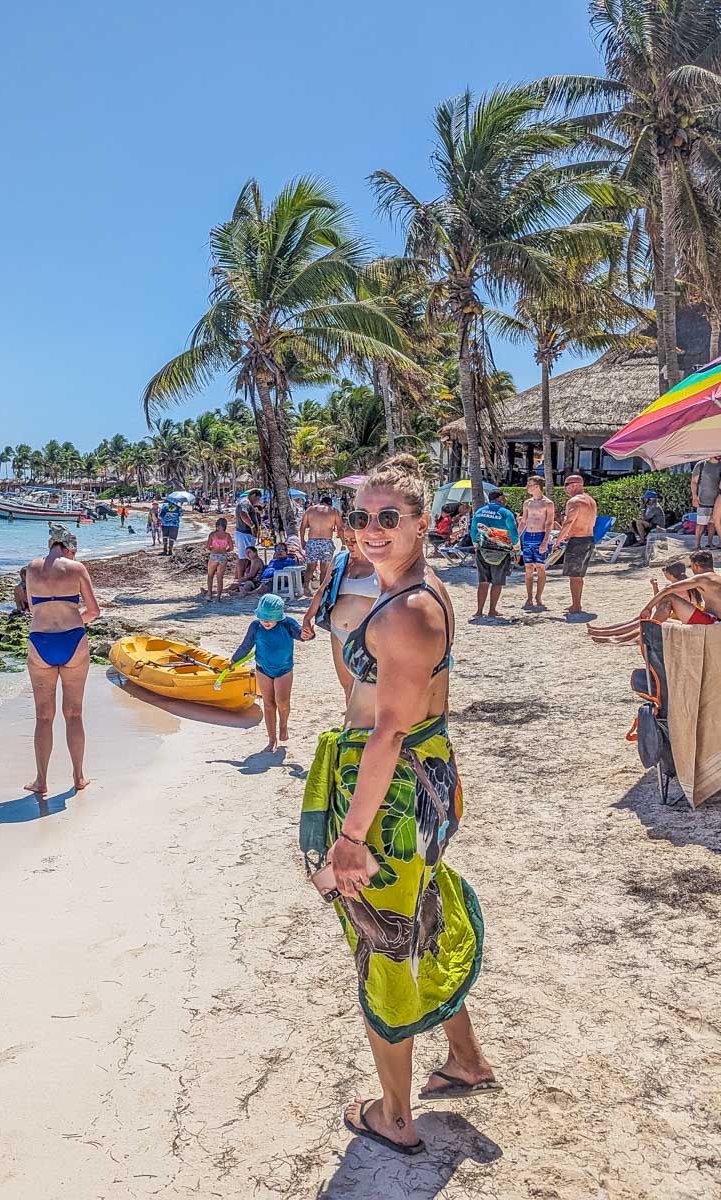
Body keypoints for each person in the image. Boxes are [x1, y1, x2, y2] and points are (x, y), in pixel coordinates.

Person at [302, 454, 494, 1157]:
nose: (372, 530)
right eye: (363, 518)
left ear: (422, 524)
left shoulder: (408, 610)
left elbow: (389, 729)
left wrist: (351, 837)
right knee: (421, 914)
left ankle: (395, 1116)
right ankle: (466, 1058)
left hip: (394, 789)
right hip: (419, 779)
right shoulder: (409, 589)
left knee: (383, 938)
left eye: (390, 519)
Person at [24, 527, 101, 795]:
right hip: (73, 642)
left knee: (44, 716)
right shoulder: (77, 569)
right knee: (74, 714)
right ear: (69, 548)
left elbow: (34, 608)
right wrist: (74, 617)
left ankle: (41, 781)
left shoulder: (32, 569)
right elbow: (94, 611)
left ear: (50, 545)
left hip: (41, 641)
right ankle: (78, 777)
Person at [301, 526, 379, 703]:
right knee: (348, 687)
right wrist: (307, 618)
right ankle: (352, 727)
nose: (349, 545)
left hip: (367, 637)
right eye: (346, 540)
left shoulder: (380, 565)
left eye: (354, 541)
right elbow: (322, 591)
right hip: (338, 634)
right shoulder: (340, 560)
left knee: (370, 688)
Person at [228, 594, 308, 752]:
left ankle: (283, 726)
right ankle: (272, 740)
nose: (265, 622)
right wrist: (234, 661)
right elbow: (245, 647)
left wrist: (308, 635)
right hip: (263, 669)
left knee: (282, 703)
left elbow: (302, 635)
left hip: (284, 670)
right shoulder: (255, 627)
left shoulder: (287, 624)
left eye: (270, 618)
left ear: (279, 616)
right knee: (269, 704)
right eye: (263, 618)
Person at [587, 557, 704, 644]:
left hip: (683, 621)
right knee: (639, 619)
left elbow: (660, 608)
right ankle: (605, 631)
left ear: (669, 573)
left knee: (645, 622)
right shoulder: (687, 584)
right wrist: (656, 589)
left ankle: (613, 636)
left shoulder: (675, 589)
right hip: (683, 617)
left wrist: (655, 590)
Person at [470, 488, 519, 619]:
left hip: (483, 549)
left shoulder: (479, 512)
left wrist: (476, 545)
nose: (505, 500)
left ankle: (479, 611)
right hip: (501, 551)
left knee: (483, 581)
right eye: (504, 498)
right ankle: (492, 610)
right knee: (497, 582)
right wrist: (517, 549)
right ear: (499, 498)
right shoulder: (506, 513)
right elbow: (513, 532)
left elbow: (473, 530)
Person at [554, 475, 598, 616]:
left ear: (574, 485)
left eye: (566, 484)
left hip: (578, 541)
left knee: (574, 576)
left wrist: (558, 540)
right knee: (579, 575)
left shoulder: (574, 501)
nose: (564, 488)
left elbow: (569, 521)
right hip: (589, 539)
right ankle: (576, 603)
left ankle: (576, 606)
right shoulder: (590, 500)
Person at [517, 477, 555, 610]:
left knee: (540, 567)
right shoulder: (527, 503)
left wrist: (545, 540)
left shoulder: (547, 503)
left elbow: (549, 522)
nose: (527, 487)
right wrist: (516, 538)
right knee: (528, 567)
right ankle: (529, 597)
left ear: (537, 486)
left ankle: (538, 597)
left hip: (540, 535)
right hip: (528, 536)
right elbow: (523, 521)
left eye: (530, 484)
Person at [299, 495, 345, 592]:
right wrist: (343, 543)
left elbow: (302, 527)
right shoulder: (334, 511)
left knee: (311, 567)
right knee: (324, 568)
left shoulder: (310, 510)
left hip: (312, 541)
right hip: (326, 542)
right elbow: (340, 529)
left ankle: (307, 588)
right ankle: (322, 590)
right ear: (329, 503)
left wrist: (302, 540)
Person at [691, 456, 721, 550]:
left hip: (717, 501)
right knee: (701, 523)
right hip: (703, 500)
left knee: (713, 523)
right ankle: (697, 545)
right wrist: (694, 496)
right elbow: (694, 482)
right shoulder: (701, 465)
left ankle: (709, 543)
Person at [203, 518, 233, 602]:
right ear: (225, 526)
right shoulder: (227, 535)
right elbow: (231, 548)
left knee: (210, 575)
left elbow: (208, 546)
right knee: (220, 577)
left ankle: (209, 594)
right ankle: (218, 597)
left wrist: (212, 550)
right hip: (223, 556)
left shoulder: (212, 534)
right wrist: (225, 551)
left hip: (214, 555)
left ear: (216, 525)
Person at [234, 489, 262, 579]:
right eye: (257, 499)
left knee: (245, 557)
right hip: (244, 533)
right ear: (254, 495)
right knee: (243, 557)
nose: (257, 502)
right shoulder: (245, 502)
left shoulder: (247, 503)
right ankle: (240, 579)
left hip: (245, 534)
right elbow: (243, 514)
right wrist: (252, 526)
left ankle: (239, 577)